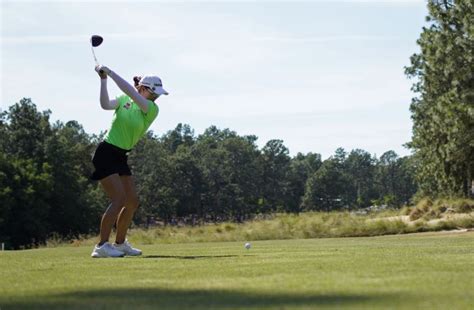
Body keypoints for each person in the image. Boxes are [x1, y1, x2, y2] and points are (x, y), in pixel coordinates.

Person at [90, 65, 168, 258]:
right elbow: (105, 104)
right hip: (106, 152)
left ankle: (120, 243)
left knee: (132, 201)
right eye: (154, 92)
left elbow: (130, 91)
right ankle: (101, 246)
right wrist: (103, 80)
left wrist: (110, 71)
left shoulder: (151, 109)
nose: (157, 97)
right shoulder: (125, 99)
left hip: (121, 155)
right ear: (144, 88)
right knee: (118, 199)